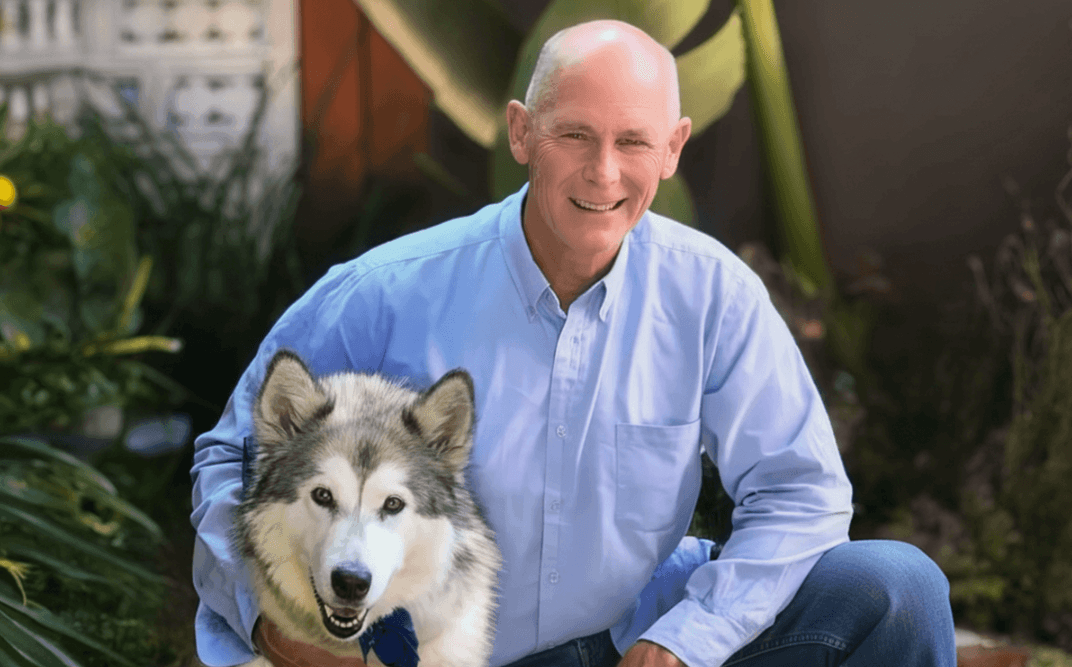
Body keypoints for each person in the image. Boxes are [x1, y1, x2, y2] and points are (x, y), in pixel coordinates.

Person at [191, 19, 956, 667]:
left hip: (636, 637)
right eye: (575, 135)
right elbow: (229, 457)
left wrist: (690, 638)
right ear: (523, 132)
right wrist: (272, 627)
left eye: (634, 141)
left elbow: (802, 490)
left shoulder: (712, 294)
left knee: (897, 587)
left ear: (674, 148)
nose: (604, 171)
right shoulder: (384, 292)